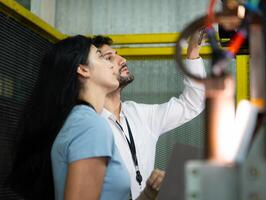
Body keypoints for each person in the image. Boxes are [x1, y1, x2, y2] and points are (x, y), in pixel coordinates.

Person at [9, 35, 164, 200]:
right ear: (83, 69)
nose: (111, 63)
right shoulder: (90, 126)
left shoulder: (80, 121)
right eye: (100, 56)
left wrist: (148, 194)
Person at [92, 31, 206, 199]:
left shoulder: (139, 114)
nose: (123, 60)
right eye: (109, 58)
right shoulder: (88, 125)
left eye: (117, 55)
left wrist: (193, 51)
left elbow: (193, 102)